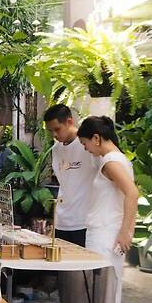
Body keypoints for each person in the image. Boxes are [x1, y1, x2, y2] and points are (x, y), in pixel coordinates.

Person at [77, 116, 137, 303]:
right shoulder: (114, 159)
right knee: (108, 292)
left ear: (96, 138)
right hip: (106, 231)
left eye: (85, 144)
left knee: (104, 293)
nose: (85, 149)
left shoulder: (110, 162)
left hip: (105, 234)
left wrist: (126, 231)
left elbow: (132, 193)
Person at [43, 104, 98, 247]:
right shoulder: (56, 149)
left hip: (84, 222)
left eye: (57, 129)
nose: (54, 135)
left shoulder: (89, 146)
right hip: (61, 222)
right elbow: (64, 184)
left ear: (69, 122)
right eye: (50, 131)